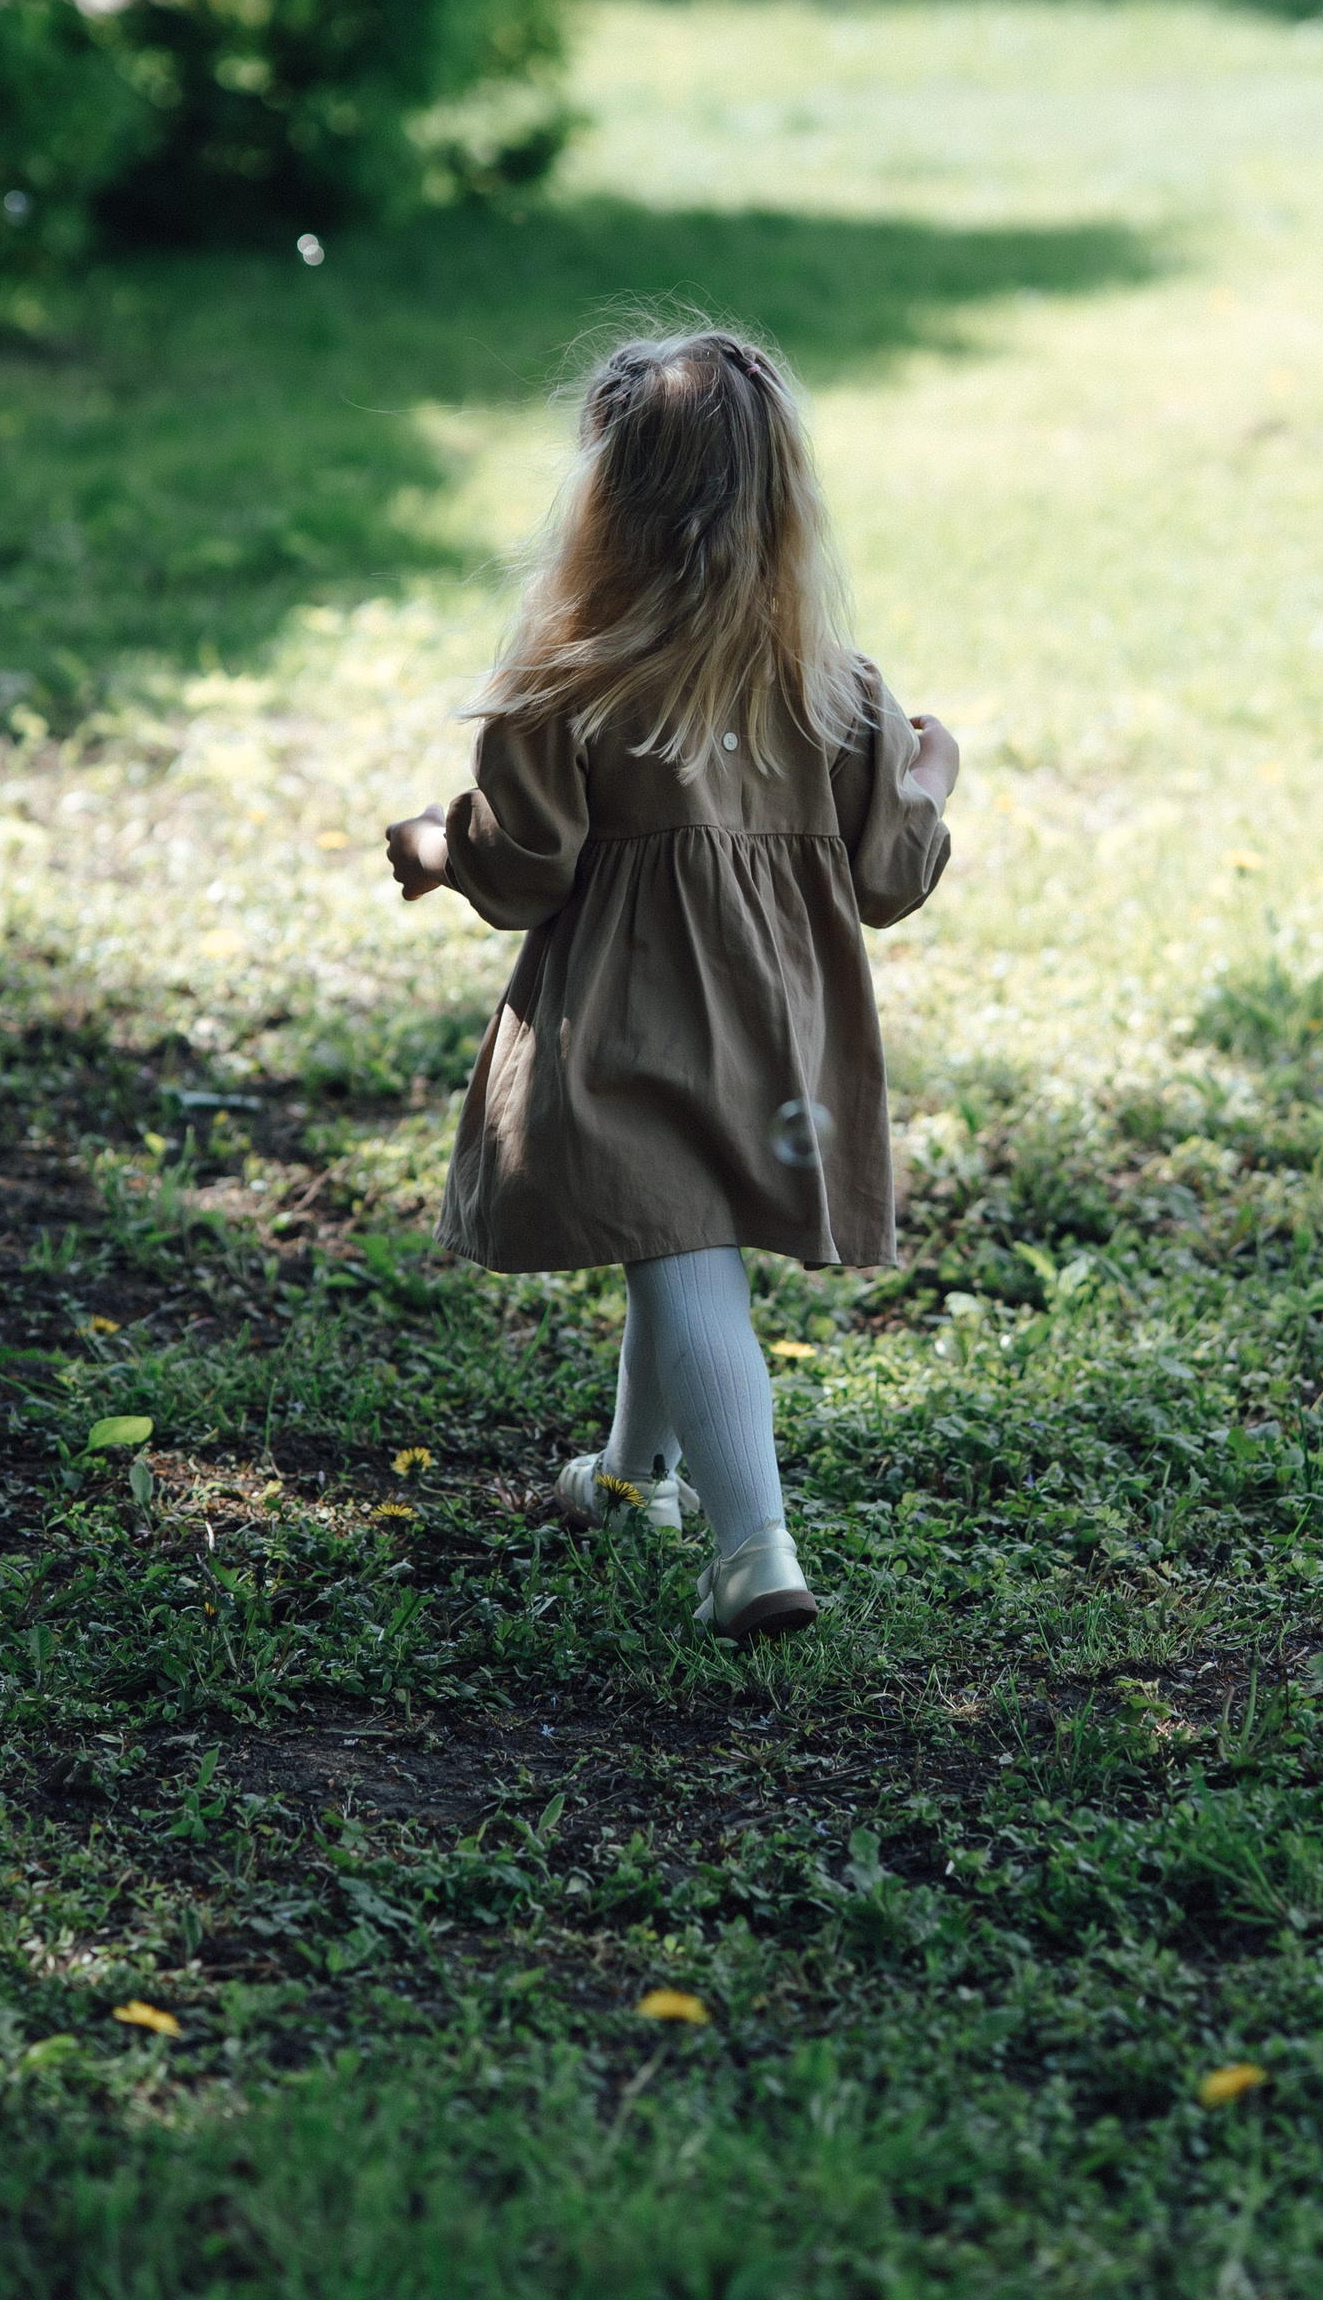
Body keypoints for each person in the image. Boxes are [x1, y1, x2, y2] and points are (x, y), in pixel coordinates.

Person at [385, 326, 958, 1640]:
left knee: (683, 1255)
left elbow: (524, 868)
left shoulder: (571, 690)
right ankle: (632, 1477)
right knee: (674, 1240)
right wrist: (932, 778)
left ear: (606, 504)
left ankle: (753, 1542)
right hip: (778, 1044)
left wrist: (429, 843)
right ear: (784, 508)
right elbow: (889, 876)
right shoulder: (841, 697)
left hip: (631, 1033)